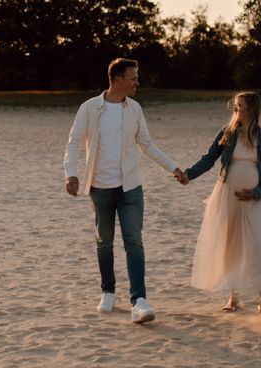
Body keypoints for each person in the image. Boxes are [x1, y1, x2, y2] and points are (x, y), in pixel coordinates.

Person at [64, 58, 187, 323]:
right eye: (133, 78)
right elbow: (73, 142)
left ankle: (139, 301)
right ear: (117, 80)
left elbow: (147, 144)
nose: (137, 83)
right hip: (100, 187)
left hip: (131, 187)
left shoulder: (134, 109)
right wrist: (70, 173)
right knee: (104, 241)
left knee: (134, 242)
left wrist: (174, 168)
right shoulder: (89, 108)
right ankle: (107, 291)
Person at [183, 91, 261, 317]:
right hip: (227, 196)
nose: (235, 111)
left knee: (258, 246)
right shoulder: (227, 133)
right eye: (234, 107)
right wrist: (189, 174)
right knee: (230, 245)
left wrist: (258, 191)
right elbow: (209, 159)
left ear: (251, 110)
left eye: (239, 107)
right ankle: (233, 296)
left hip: (255, 200)